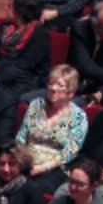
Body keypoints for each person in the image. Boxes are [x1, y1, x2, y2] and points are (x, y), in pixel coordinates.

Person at [15, 65, 88, 194]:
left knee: (33, 187)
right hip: (27, 161)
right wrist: (19, 160)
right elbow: (21, 137)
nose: (53, 88)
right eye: (51, 83)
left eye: (60, 85)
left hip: (55, 168)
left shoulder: (78, 116)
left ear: (71, 92)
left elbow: (71, 151)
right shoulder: (36, 105)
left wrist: (43, 167)